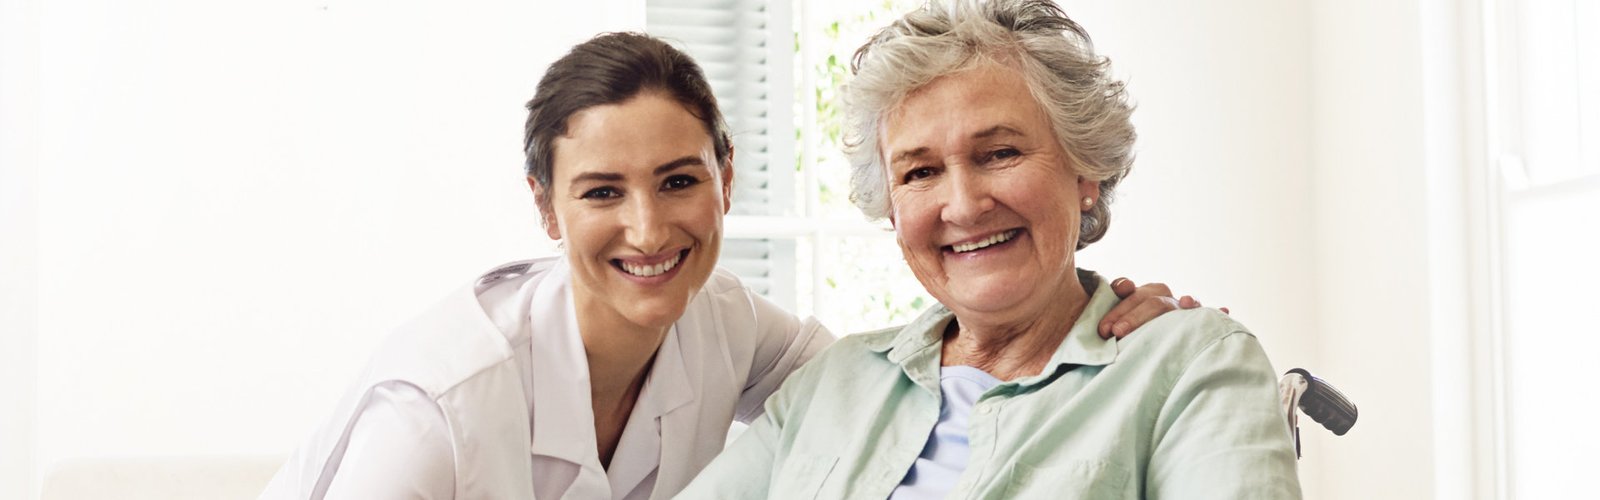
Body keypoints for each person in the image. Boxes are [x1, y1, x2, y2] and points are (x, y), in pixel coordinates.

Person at [261, 31, 1195, 500]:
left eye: (677, 180)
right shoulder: (436, 416)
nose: (647, 229)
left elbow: (891, 389)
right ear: (543, 205)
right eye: (599, 192)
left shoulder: (733, 324)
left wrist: (1110, 321)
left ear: (726, 179)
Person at [675, 1, 1303, 498]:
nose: (964, 205)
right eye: (919, 173)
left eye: (1000, 154)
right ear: (892, 210)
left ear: (1085, 173)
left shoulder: (1190, 366)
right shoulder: (835, 381)